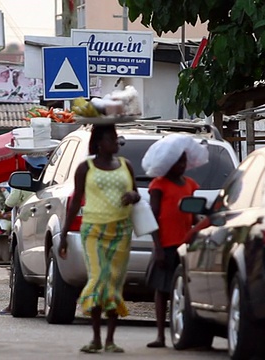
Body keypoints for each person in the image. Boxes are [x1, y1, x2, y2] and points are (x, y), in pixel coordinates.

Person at [59, 124, 141, 354]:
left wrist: (132, 196)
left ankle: (110, 340)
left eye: (116, 138)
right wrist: (64, 234)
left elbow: (136, 193)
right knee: (99, 277)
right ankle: (95, 338)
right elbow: (75, 202)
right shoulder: (86, 168)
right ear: (98, 143)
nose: (116, 143)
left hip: (121, 232)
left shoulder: (127, 165)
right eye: (111, 139)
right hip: (93, 230)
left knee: (113, 282)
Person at [145, 152, 200, 348]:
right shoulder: (158, 185)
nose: (182, 165)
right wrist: (158, 248)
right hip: (165, 246)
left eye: (184, 161)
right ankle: (160, 335)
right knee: (162, 291)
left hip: (184, 246)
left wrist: (197, 230)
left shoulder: (190, 184)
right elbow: (152, 218)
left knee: (184, 291)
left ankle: (185, 333)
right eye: (178, 161)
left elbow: (193, 216)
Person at [0, 154, 48, 316]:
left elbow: (8, 205)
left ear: (28, 167)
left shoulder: (23, 184)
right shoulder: (50, 182)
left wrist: (2, 206)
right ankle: (47, 306)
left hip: (25, 230)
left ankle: (13, 305)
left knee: (17, 268)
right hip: (45, 231)